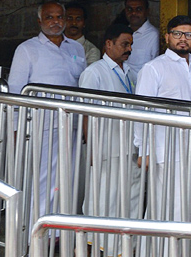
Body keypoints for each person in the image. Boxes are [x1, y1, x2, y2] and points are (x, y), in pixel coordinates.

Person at [8, 1, 86, 230]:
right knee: (43, 180)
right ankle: (37, 234)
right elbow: (16, 91)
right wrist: (15, 128)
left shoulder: (76, 48)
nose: (55, 21)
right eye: (49, 17)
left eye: (59, 17)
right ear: (40, 21)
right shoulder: (27, 49)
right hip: (42, 124)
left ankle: (60, 233)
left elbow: (79, 85)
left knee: (68, 180)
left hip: (70, 123)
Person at [134, 15, 191, 225]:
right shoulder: (154, 68)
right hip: (167, 152)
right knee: (167, 208)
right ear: (167, 37)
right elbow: (141, 111)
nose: (182, 38)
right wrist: (144, 150)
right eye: (177, 34)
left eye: (188, 34)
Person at [78, 24, 141, 256]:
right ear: (108, 44)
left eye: (131, 44)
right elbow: (85, 112)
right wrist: (91, 145)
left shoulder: (132, 72)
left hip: (130, 146)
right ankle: (96, 246)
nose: (129, 49)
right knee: (102, 197)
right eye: (125, 44)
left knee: (131, 196)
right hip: (105, 146)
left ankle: (124, 247)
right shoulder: (94, 72)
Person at [123, 0, 159, 78]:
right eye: (129, 9)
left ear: (147, 11)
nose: (134, 13)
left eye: (139, 9)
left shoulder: (154, 35)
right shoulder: (121, 34)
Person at [64, 2, 101, 66]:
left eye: (78, 19)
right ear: (63, 21)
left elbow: (89, 74)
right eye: (70, 18)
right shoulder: (54, 45)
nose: (74, 23)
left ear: (84, 23)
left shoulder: (92, 50)